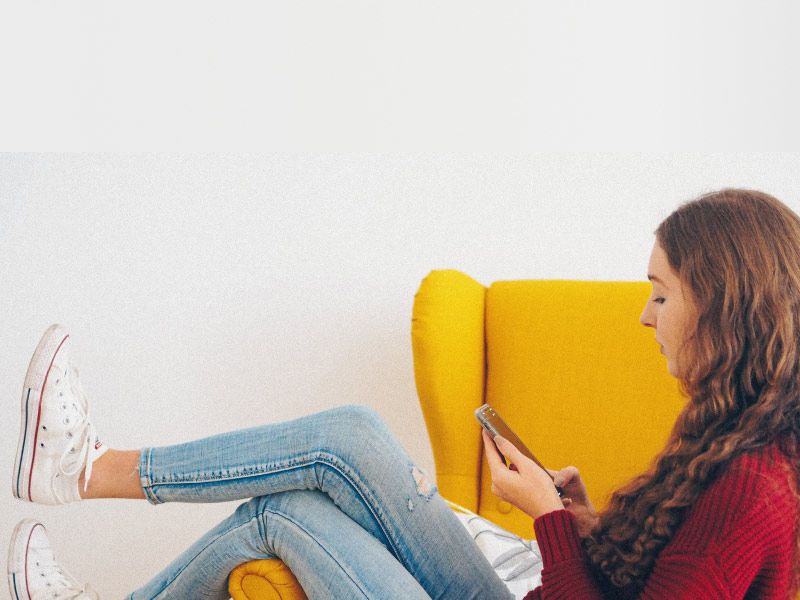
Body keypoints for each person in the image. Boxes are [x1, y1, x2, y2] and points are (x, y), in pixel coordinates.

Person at [8, 188, 799, 600]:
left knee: (284, 515)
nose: (644, 315)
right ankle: (83, 470)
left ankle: (82, 477)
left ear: (722, 305)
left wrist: (549, 521)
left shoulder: (752, 487)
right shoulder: (730, 435)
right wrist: (585, 520)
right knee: (343, 436)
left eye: (661, 295)